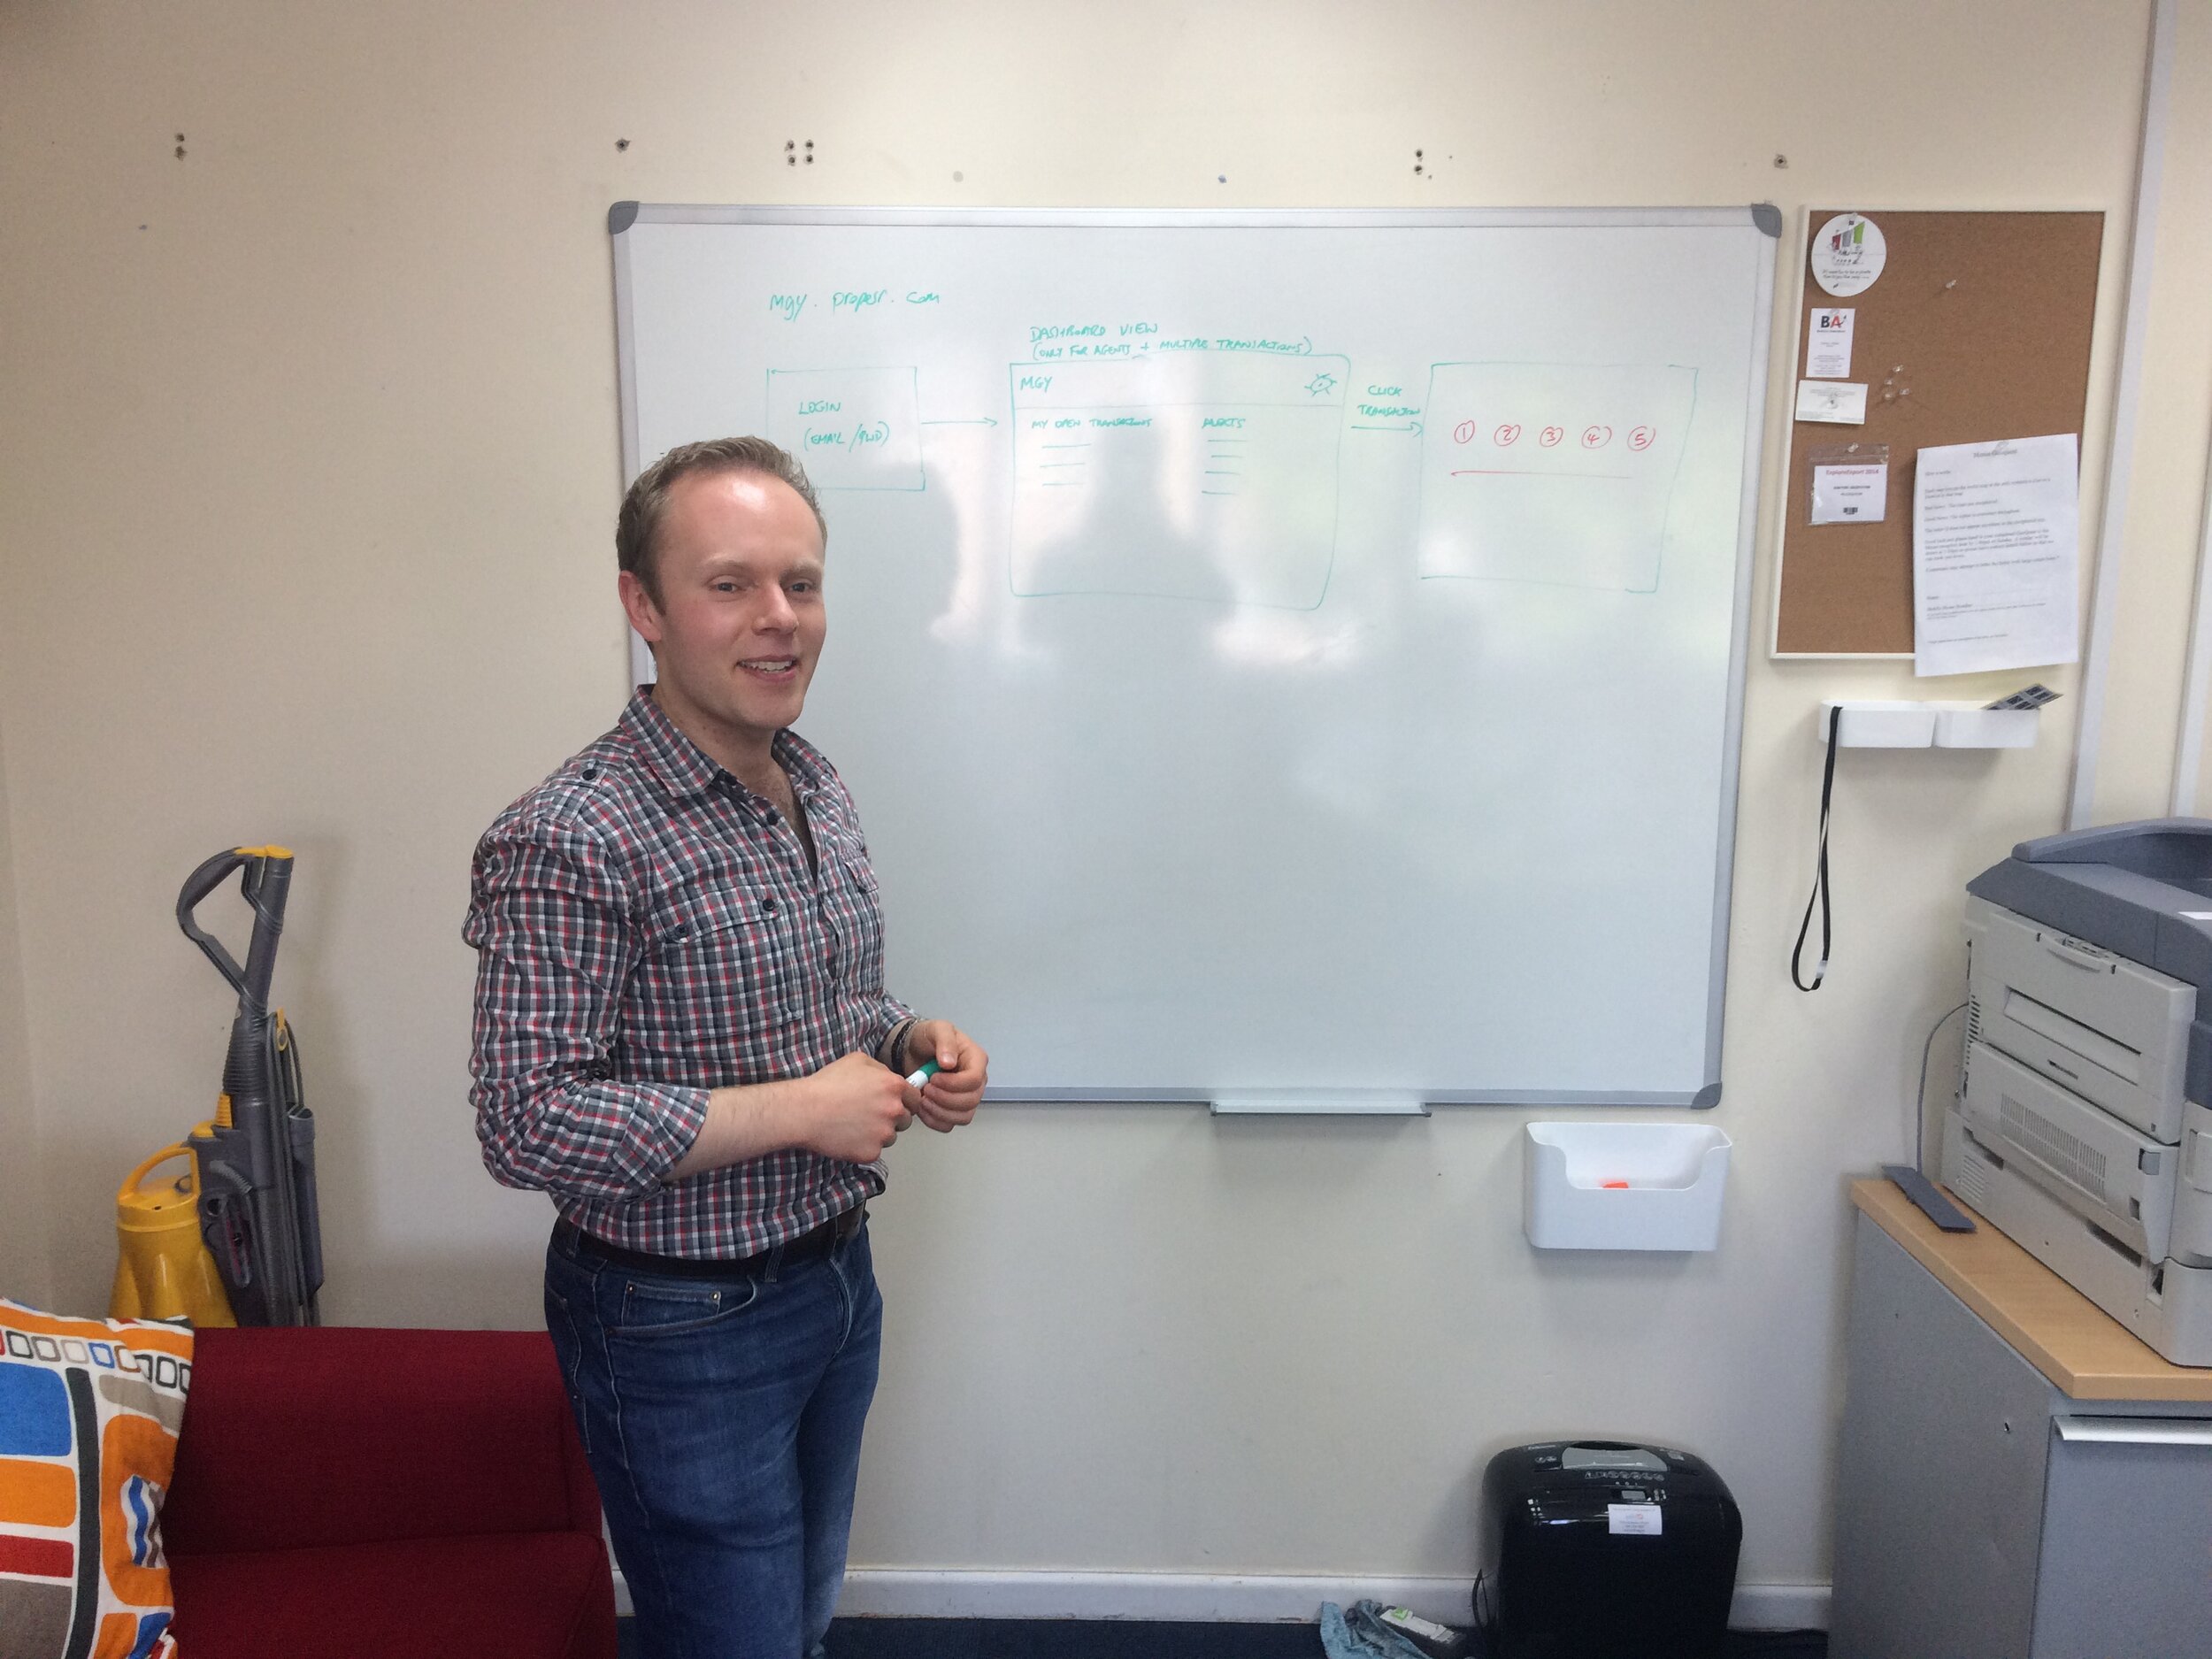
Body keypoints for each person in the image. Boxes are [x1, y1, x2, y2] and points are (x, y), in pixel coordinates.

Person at [464, 435, 989, 1659]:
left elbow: (828, 1011)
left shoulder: (813, 780)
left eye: (801, 584)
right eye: (729, 584)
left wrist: (909, 1042)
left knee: (795, 1623)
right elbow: (524, 1119)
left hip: (833, 1283)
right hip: (676, 1326)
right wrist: (802, 1110)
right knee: (732, 1643)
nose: (779, 619)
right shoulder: (573, 833)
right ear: (643, 607)